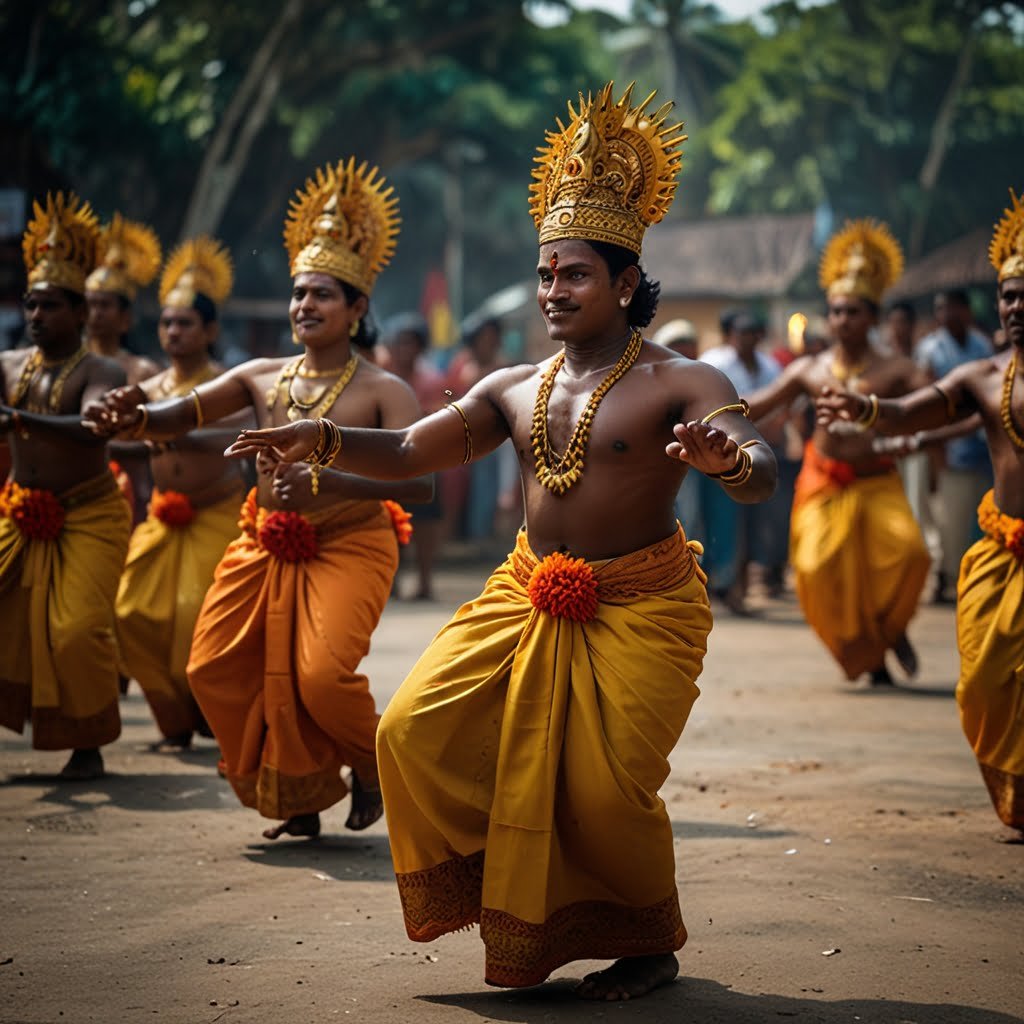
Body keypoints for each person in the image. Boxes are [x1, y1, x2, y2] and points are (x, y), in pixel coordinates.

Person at [226, 83, 777, 1000]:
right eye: (545, 274)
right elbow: (408, 449)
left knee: (603, 793)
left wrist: (728, 461)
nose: (552, 291)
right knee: (409, 729)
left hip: (643, 605)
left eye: (575, 275)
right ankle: (506, 888)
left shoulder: (687, 378)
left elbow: (759, 466)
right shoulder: (514, 385)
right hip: (522, 593)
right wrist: (317, 438)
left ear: (626, 283)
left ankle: (647, 940)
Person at [83, 157, 431, 838]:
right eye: (300, 293)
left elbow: (418, 481)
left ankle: (370, 764)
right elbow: (179, 414)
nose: (305, 305)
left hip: (352, 540)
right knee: (214, 668)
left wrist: (327, 479)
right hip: (262, 538)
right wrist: (134, 418)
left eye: (323, 295)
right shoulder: (260, 375)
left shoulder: (385, 391)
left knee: (322, 677)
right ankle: (297, 797)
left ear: (357, 308)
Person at [816, 188, 1024, 833]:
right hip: (1003, 551)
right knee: (986, 683)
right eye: (1009, 294)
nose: (1015, 305)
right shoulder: (984, 378)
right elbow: (916, 410)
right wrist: (867, 412)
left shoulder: (911, 361)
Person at [745, 220, 931, 685]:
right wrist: (694, 402)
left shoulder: (898, 369)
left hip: (876, 481)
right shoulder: (811, 368)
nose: (842, 320)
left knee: (910, 556)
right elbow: (759, 404)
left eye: (852, 312)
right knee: (814, 567)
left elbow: (938, 407)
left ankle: (891, 631)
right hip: (823, 480)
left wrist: (904, 428)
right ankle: (871, 654)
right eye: (836, 311)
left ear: (872, 316)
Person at [0, 192, 130, 779]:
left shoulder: (103, 370)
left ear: (81, 315)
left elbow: (89, 427)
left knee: (76, 630)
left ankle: (87, 742)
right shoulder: (7, 364)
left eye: (49, 306)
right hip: (18, 508)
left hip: (89, 514)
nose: (35, 316)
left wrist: (21, 421)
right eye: (30, 304)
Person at [113, 237, 248, 750]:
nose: (172, 332)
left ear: (210, 330)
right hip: (161, 518)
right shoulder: (151, 387)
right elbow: (126, 439)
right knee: (129, 613)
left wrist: (171, 430)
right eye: (166, 323)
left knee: (196, 614)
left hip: (217, 513)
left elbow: (233, 437)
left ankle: (207, 713)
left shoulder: (228, 384)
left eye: (184, 323)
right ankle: (173, 717)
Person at [699, 310, 784, 610]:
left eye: (752, 334)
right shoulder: (715, 364)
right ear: (730, 336)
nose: (747, 340)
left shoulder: (770, 366)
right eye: (741, 334)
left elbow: (782, 405)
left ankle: (742, 586)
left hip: (763, 454)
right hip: (723, 458)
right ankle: (725, 586)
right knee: (724, 524)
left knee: (758, 523)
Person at [916, 289, 994, 603]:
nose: (946, 315)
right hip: (947, 447)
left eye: (952, 308)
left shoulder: (982, 346)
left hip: (981, 448)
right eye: (940, 309)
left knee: (977, 519)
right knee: (946, 517)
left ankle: (972, 577)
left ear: (966, 310)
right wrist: (936, 451)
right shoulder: (930, 349)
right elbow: (925, 403)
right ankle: (943, 576)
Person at [85, 215, 164, 521]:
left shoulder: (144, 370)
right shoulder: (72, 366)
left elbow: (159, 439)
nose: (95, 314)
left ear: (125, 317)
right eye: (89, 304)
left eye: (104, 305)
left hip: (130, 494)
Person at [379, 313, 446, 599]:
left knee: (425, 523)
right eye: (400, 342)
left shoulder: (432, 379)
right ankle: (391, 580)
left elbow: (437, 418)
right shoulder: (380, 375)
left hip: (424, 458)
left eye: (411, 343)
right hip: (385, 459)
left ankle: (425, 580)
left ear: (420, 347)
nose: (405, 349)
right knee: (388, 520)